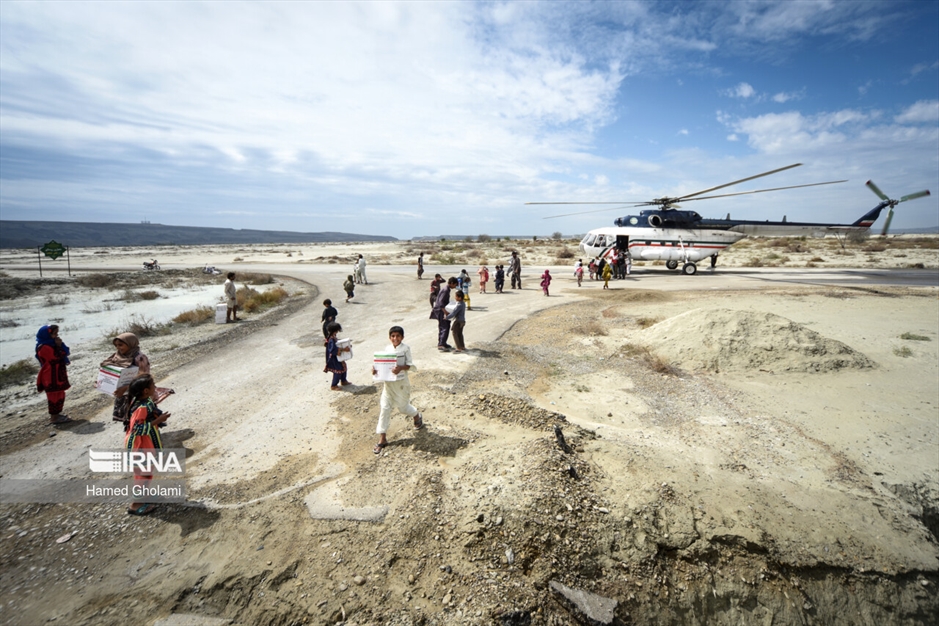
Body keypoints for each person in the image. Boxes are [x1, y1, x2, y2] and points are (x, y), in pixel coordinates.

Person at [372, 326, 423, 455]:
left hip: (401, 385)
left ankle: (416, 415)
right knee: (385, 409)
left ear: (402, 337)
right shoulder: (387, 349)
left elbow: (411, 365)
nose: (395, 338)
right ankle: (382, 439)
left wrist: (400, 368)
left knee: (403, 408)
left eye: (398, 336)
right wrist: (375, 370)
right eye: (393, 336)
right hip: (388, 385)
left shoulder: (405, 349)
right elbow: (383, 365)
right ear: (390, 337)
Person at [124, 375, 169, 516]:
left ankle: (145, 495)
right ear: (145, 390)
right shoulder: (141, 407)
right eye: (153, 385)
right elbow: (137, 429)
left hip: (147, 443)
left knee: (147, 472)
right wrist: (158, 420)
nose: (155, 387)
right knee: (142, 475)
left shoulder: (145, 401)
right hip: (140, 446)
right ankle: (135, 504)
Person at [102, 333, 151, 422]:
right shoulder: (117, 356)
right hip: (123, 394)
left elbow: (144, 378)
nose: (118, 347)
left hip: (137, 393)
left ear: (130, 344)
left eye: (120, 345)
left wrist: (126, 387)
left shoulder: (139, 358)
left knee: (140, 418)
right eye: (116, 345)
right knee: (128, 419)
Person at [35, 325, 71, 424]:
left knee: (60, 393)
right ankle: (54, 417)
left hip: (58, 374)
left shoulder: (52, 345)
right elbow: (56, 357)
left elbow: (66, 352)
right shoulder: (43, 347)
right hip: (50, 376)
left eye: (56, 333)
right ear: (46, 335)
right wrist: (59, 346)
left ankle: (58, 414)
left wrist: (59, 345)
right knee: (53, 395)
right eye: (54, 334)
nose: (56, 336)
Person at [324, 322, 352, 390]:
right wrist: (343, 349)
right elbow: (332, 350)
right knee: (338, 370)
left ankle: (343, 380)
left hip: (338, 357)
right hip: (334, 358)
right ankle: (334, 385)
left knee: (343, 367)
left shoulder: (333, 337)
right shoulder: (331, 339)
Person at [431, 277, 456, 350]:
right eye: (455, 284)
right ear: (452, 283)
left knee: (443, 326)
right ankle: (441, 344)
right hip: (441, 311)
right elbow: (441, 302)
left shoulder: (446, 289)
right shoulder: (445, 290)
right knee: (445, 327)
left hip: (441, 310)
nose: (455, 286)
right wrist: (445, 312)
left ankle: (442, 342)